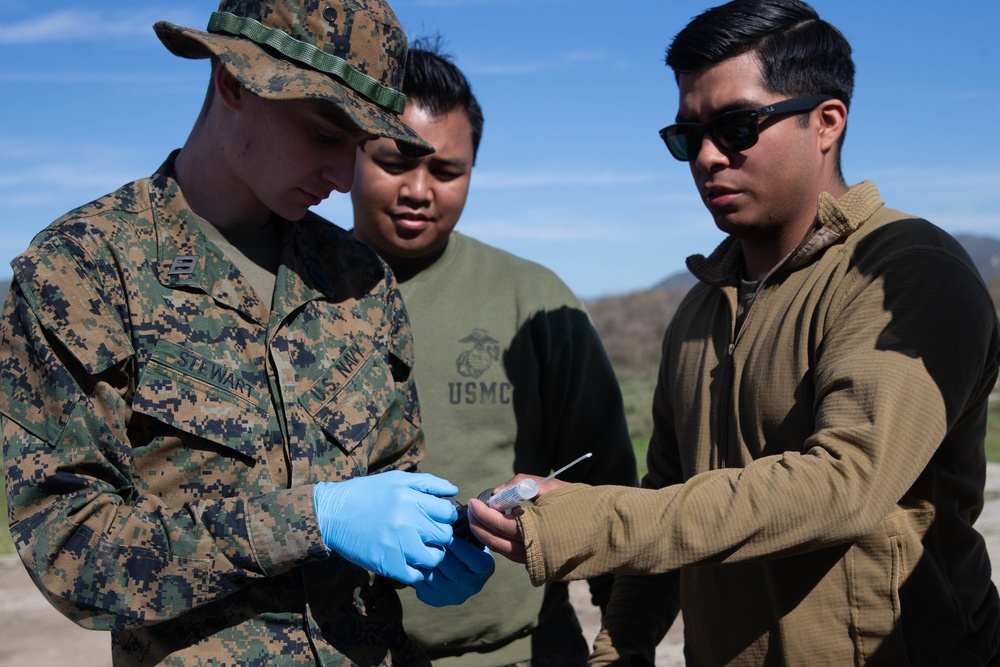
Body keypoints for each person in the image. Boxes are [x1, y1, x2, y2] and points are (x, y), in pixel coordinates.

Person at [468, 0, 1000, 664]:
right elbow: (665, 496)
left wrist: (593, 519)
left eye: (738, 125)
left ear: (826, 121)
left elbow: (845, 484)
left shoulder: (908, 272)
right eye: (688, 136)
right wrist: (620, 647)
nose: (708, 157)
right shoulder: (697, 312)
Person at [0, 2, 494, 665]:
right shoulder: (84, 270)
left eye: (358, 146)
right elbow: (71, 553)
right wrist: (311, 520)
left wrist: (430, 544)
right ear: (232, 82)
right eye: (325, 133)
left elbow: (390, 477)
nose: (344, 177)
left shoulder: (356, 276)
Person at [351, 42, 638, 666]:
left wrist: (627, 651)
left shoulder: (533, 301)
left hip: (516, 654)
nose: (419, 191)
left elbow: (610, 493)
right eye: (395, 162)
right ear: (351, 149)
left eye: (447, 171)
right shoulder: (286, 293)